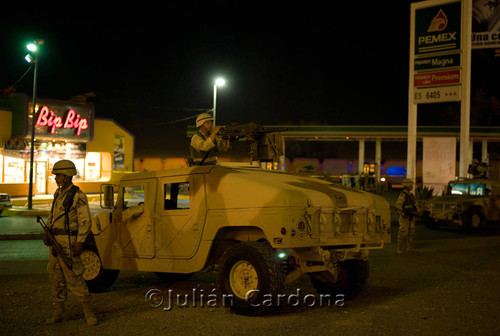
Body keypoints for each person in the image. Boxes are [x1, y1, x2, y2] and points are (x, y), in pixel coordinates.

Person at [44, 159, 98, 326]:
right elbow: (53, 215)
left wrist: (80, 242)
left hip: (69, 243)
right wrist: (48, 230)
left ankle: (88, 312)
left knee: (75, 278)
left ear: (67, 177)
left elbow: (85, 221)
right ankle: (59, 312)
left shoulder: (78, 196)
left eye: (58, 175)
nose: (55, 178)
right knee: (55, 278)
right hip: (56, 243)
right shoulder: (58, 194)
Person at [395, 178, 418, 254]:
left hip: (411, 216)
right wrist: (402, 213)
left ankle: (409, 247)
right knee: (402, 232)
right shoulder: (403, 195)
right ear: (407, 186)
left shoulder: (411, 195)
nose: (412, 186)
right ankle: (400, 248)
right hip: (405, 216)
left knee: (411, 232)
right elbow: (398, 205)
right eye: (410, 185)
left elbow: (415, 205)